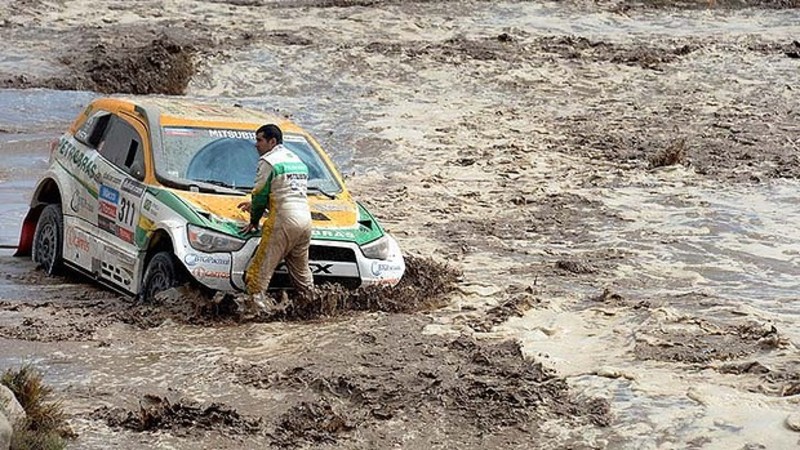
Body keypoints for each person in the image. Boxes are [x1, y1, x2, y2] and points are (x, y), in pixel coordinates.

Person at [238, 124, 314, 313]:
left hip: (282, 222)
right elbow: (288, 192)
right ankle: (315, 310)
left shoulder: (269, 161)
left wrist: (254, 220)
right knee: (303, 278)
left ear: (272, 141)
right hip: (305, 221)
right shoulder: (297, 160)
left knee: (257, 275)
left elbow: (259, 194)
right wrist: (263, 205)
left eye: (259, 140)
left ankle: (255, 320)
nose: (256, 145)